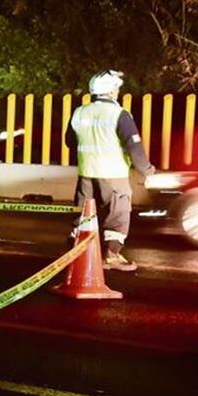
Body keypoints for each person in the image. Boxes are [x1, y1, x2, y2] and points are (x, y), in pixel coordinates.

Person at [65, 70, 155, 271]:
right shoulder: (119, 114)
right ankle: (111, 255)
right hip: (114, 175)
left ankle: (75, 251)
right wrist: (147, 170)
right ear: (111, 91)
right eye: (116, 88)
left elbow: (69, 142)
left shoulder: (79, 113)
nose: (117, 91)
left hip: (86, 174)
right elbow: (133, 146)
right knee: (118, 215)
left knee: (85, 214)